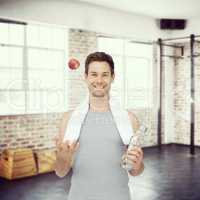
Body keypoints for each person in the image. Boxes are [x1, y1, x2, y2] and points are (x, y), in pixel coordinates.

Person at [54, 52, 144, 200]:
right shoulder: (68, 119)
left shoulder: (129, 119)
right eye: (94, 74)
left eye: (105, 74)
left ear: (112, 77)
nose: (99, 80)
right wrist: (63, 158)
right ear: (86, 77)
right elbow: (60, 172)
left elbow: (136, 171)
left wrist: (137, 164)